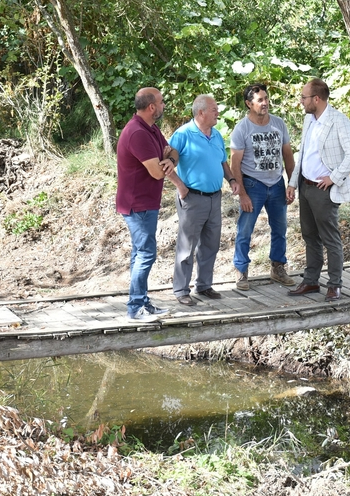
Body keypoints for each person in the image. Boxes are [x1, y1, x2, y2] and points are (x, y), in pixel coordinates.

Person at [286, 78, 350, 302]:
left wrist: (334, 177)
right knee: (310, 236)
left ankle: (334, 285)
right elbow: (303, 155)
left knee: (330, 238)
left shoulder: (338, 121)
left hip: (324, 189)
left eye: (304, 97)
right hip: (305, 185)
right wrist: (292, 182)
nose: (301, 101)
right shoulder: (309, 119)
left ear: (316, 99)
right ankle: (311, 281)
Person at [164, 95, 240, 306]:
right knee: (187, 246)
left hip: (215, 198)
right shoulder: (183, 134)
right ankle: (181, 290)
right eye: (214, 109)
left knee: (211, 244)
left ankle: (204, 285)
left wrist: (231, 179)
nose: (218, 113)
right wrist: (180, 185)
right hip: (193, 198)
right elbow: (170, 161)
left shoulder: (216, 135)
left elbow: (222, 161)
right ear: (201, 112)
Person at [116, 87, 178, 322]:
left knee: (140, 254)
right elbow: (156, 173)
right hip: (137, 204)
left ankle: (141, 301)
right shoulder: (137, 133)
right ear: (152, 107)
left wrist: (169, 159)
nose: (163, 106)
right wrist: (167, 163)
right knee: (146, 254)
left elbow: (173, 151)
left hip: (146, 202)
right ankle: (135, 307)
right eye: (161, 102)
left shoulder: (150, 128)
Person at [229, 83, 296, 290]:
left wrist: (291, 184)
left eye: (266, 99)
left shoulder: (278, 124)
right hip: (253, 184)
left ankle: (277, 267)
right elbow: (235, 164)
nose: (265, 103)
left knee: (280, 228)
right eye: (260, 100)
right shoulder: (242, 128)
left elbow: (287, 155)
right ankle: (241, 270)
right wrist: (243, 194)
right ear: (249, 104)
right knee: (245, 229)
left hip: (276, 183)